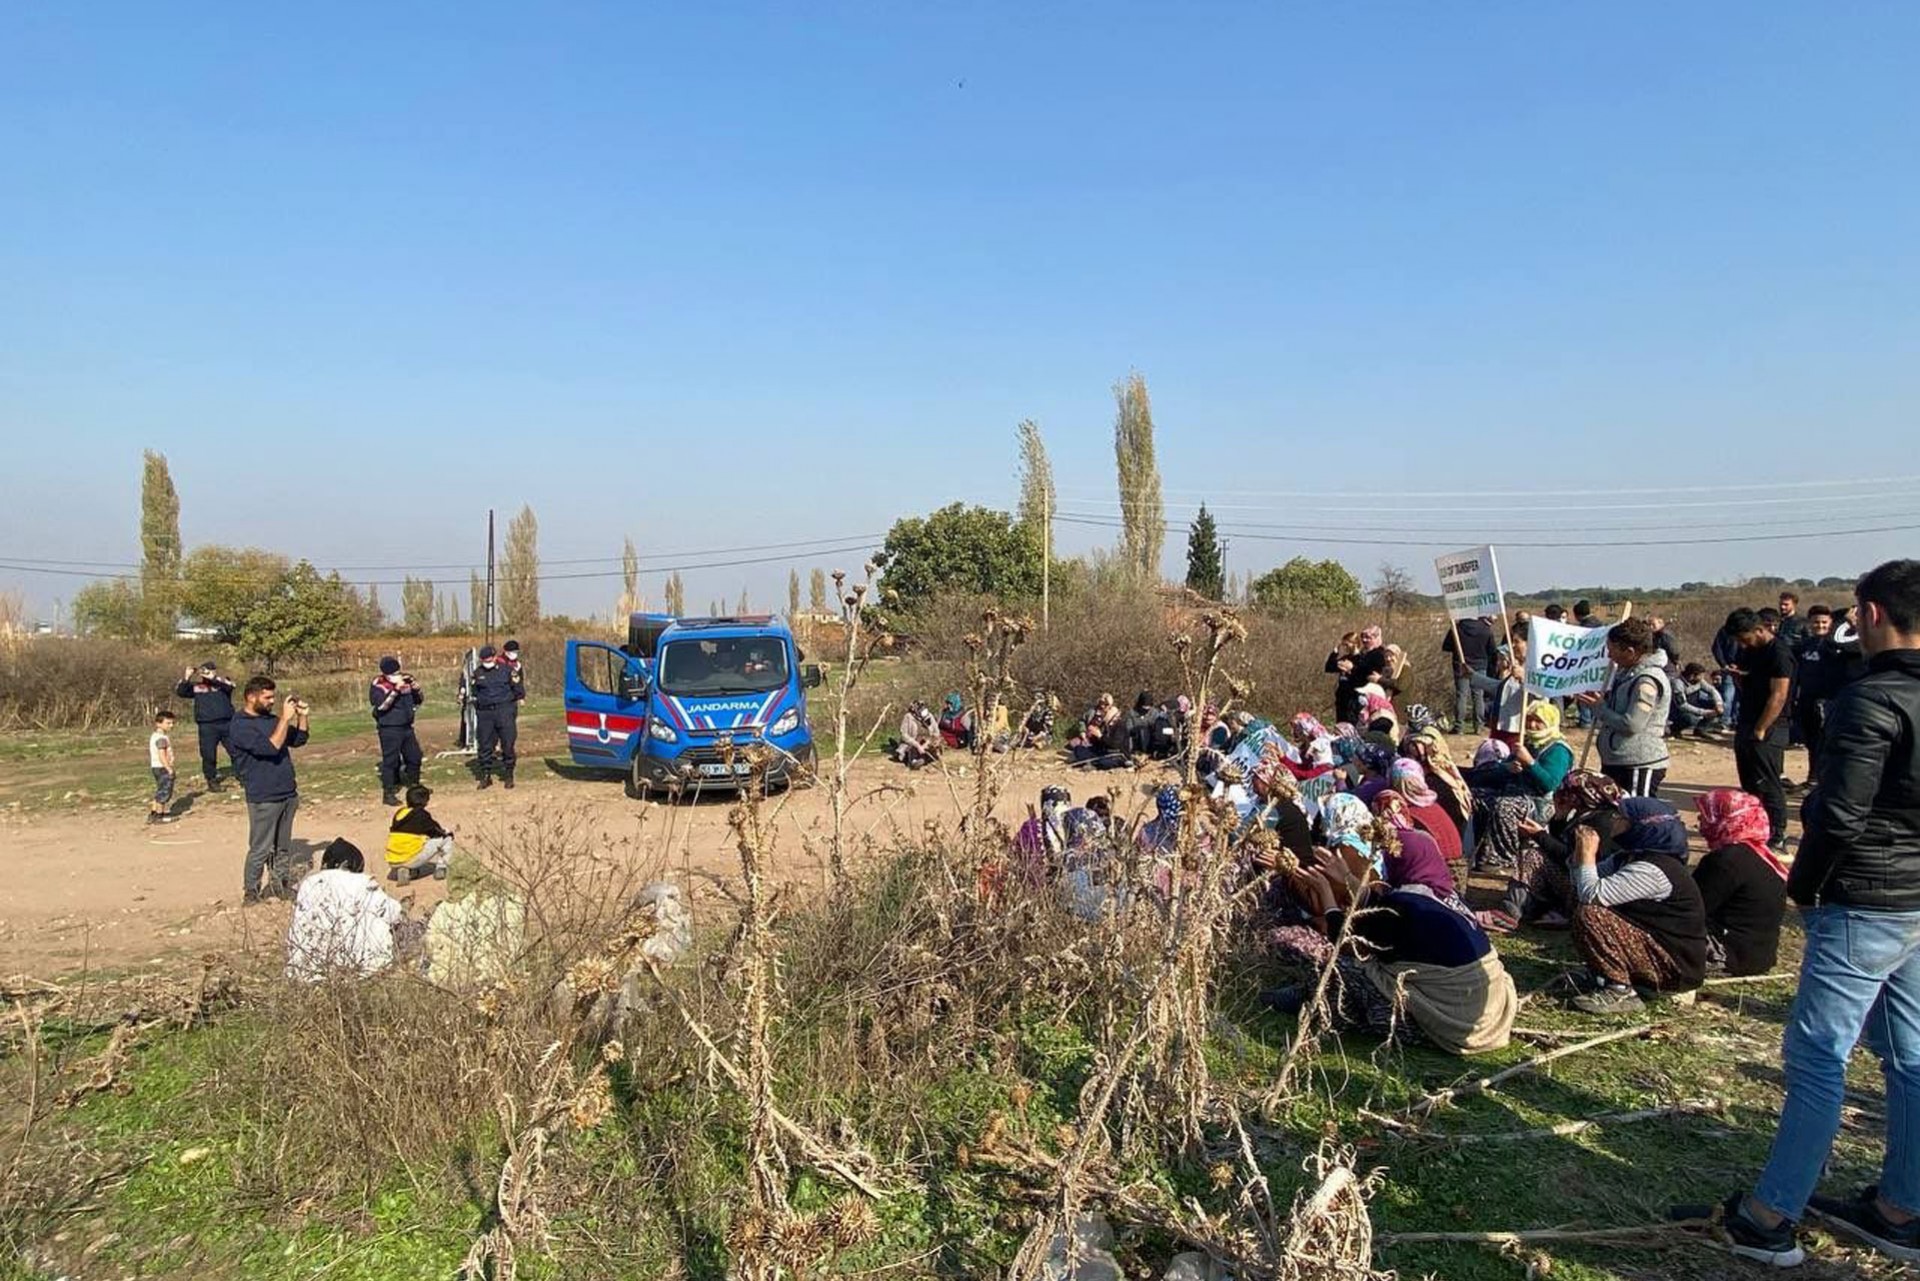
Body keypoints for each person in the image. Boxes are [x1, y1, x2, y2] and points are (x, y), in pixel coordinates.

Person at [1714, 559, 1920, 1267]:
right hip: (1917, 901)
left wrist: (1803, 884)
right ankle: (1901, 1206)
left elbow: (1837, 813)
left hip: (1864, 898)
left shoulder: (1874, 699)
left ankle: (1770, 1215)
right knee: (1910, 1057)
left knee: (1816, 1058)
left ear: (1868, 614)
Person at [1266, 846, 1517, 1055]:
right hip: (1490, 1014)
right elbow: (1375, 911)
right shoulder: (1433, 899)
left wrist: (1326, 895)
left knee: (1336, 968)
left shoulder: (1402, 909)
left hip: (1458, 1025)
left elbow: (1346, 943)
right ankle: (1308, 996)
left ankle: (1316, 1004)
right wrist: (1346, 878)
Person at [1565, 797, 1708, 1014]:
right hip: (1652, 946)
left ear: (1642, 827)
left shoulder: (1653, 870)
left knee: (1591, 914)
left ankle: (1620, 991)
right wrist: (1580, 852)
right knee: (1579, 901)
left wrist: (1588, 854)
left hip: (1675, 966)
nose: (1614, 822)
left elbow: (1590, 895)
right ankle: (1605, 975)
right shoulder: (1629, 857)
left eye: (1621, 818)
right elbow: (1579, 881)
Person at [228, 676, 311, 903]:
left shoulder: (273, 720)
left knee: (282, 846)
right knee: (261, 848)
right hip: (263, 796)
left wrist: (302, 717)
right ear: (251, 697)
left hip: (287, 793)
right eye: (267, 697)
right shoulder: (239, 725)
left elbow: (299, 739)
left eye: (273, 696)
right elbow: (271, 747)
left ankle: (279, 884)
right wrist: (285, 719)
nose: (272, 701)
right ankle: (251, 891)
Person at [1692, 789, 1788, 977]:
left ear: (1725, 819)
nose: (1699, 822)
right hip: (1759, 955)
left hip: (1730, 956)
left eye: (1706, 816)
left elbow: (1691, 907)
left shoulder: (1726, 861)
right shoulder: (1762, 856)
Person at [1470, 702, 1575, 869]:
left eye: (1538, 721)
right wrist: (1506, 769)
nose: (1532, 725)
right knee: (1475, 798)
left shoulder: (1558, 750)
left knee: (1505, 806)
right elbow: (1493, 774)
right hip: (1513, 792)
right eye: (1529, 720)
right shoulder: (1524, 743)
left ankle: (1503, 859)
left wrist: (1531, 764)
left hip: (1541, 802)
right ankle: (1473, 852)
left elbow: (1549, 784)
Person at [285, 838, 406, 981]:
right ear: (346, 864)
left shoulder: (308, 884)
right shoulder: (361, 882)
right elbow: (394, 914)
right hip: (359, 972)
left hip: (305, 972)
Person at [1726, 607, 1797, 847]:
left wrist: (1761, 728)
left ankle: (1777, 834)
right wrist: (1739, 677)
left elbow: (1779, 695)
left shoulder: (1779, 653)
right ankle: (1754, 828)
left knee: (1768, 782)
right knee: (1749, 782)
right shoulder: (1751, 651)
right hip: (1746, 721)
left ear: (1759, 630)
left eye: (1744, 638)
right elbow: (1751, 683)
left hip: (1771, 726)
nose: (1742, 644)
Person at [1581, 617, 1672, 798]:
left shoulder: (1646, 680)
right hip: (1617, 761)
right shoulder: (1625, 673)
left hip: (1637, 764)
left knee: (1635, 818)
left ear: (1630, 652)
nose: (1609, 656)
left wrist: (1601, 709)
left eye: (1612, 650)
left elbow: (1633, 724)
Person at [370, 656, 424, 806]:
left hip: (407, 726)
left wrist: (415, 687)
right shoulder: (379, 684)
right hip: (389, 727)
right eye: (393, 674)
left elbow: (419, 700)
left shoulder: (405, 680)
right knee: (391, 762)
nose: (397, 676)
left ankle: (414, 787)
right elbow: (381, 707)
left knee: (415, 757)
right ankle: (388, 793)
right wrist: (395, 691)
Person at [1792, 606, 1837, 785]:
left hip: (1828, 701)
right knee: (1811, 742)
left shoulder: (1836, 646)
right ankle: (1812, 778)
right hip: (1806, 699)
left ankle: (1824, 780)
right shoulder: (1804, 646)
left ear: (1831, 623)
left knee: (1824, 742)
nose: (1820, 626)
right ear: (1810, 623)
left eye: (1824, 622)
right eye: (1816, 622)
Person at [174, 661, 236, 789]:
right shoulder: (197, 687)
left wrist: (212, 678)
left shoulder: (223, 682)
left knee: (236, 751)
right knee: (208, 754)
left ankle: (243, 775)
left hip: (227, 723)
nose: (205, 673)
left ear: (214, 671)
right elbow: (181, 692)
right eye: (203, 671)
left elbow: (229, 687)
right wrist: (187, 677)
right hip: (207, 725)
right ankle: (211, 780)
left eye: (208, 670)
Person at [470, 644, 521, 789]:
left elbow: (518, 690)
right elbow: (474, 692)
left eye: (489, 659)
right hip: (485, 713)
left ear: (494, 657)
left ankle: (509, 774)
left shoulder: (507, 671)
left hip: (504, 710)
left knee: (507, 744)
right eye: (484, 660)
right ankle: (486, 775)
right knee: (485, 744)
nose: (486, 662)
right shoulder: (477, 673)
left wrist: (510, 708)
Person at [386, 784, 455, 884]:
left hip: (392, 860)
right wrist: (447, 833)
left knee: (416, 841)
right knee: (447, 838)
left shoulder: (400, 813)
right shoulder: (421, 814)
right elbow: (436, 831)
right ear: (424, 801)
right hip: (409, 859)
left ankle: (406, 870)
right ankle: (441, 868)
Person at [1325, 625, 1389, 727]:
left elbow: (1366, 674)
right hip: (1344, 697)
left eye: (1368, 637)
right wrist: (1335, 653)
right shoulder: (1358, 656)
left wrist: (1352, 668)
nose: (1364, 640)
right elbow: (1329, 667)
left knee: (1354, 726)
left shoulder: (1377, 655)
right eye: (1363, 637)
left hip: (1360, 699)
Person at [1442, 616, 1497, 734]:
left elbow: (1446, 646)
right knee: (1478, 696)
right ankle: (1479, 726)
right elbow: (1492, 649)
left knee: (1461, 695)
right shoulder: (1486, 629)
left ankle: (1459, 726)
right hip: (1480, 664)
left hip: (1461, 664)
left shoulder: (1457, 628)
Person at [1671, 663, 1727, 737]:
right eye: (1700, 676)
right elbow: (1682, 705)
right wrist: (1703, 712)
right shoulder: (1678, 684)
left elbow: (1712, 690)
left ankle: (1701, 729)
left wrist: (1718, 704)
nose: (1702, 678)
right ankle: (1675, 729)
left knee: (1721, 707)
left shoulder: (1699, 682)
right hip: (1678, 710)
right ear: (1692, 676)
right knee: (1691, 719)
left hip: (1694, 703)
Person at [148, 709, 179, 825]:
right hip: (162, 768)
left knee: (159, 790)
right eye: (168, 723)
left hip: (156, 767)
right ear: (158, 723)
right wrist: (169, 768)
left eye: (172, 723)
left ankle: (154, 813)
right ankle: (159, 816)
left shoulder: (155, 736)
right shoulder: (161, 738)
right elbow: (162, 755)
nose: (171, 726)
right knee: (164, 792)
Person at [894, 700, 939, 769]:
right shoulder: (908, 717)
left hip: (927, 741)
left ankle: (926, 758)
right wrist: (917, 745)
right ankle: (914, 762)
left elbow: (936, 731)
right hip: (913, 742)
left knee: (933, 748)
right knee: (912, 750)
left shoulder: (929, 716)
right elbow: (904, 735)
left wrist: (928, 742)